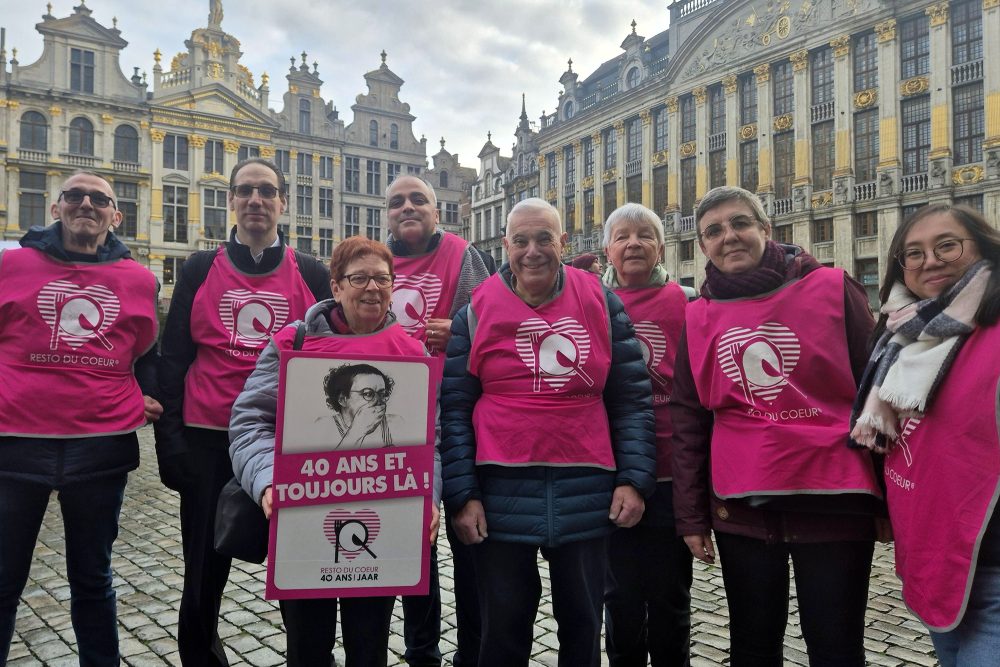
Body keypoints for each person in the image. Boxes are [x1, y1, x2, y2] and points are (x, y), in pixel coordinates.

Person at [670, 186, 882, 666]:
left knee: (836, 644)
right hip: (741, 505)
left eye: (740, 223)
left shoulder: (832, 286)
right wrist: (690, 515)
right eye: (714, 231)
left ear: (766, 229)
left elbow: (876, 392)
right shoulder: (698, 316)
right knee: (753, 644)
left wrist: (887, 500)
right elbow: (687, 417)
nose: (730, 237)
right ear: (701, 247)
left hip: (833, 498)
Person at [441, 198, 656, 667]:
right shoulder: (475, 313)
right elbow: (455, 410)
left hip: (586, 487)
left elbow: (630, 399)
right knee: (503, 631)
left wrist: (633, 479)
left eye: (544, 239)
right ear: (506, 246)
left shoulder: (601, 300)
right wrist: (462, 495)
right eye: (521, 241)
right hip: (501, 492)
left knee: (582, 626)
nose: (532, 251)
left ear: (563, 242)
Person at [229, 236, 441, 667]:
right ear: (336, 285)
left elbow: (430, 440)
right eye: (359, 277)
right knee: (308, 648)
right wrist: (269, 481)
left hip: (382, 523)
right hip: (302, 521)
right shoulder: (295, 341)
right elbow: (250, 422)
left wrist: (429, 495)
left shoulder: (412, 352)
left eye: (382, 279)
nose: (372, 288)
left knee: (370, 648)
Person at [155, 158, 331, 667]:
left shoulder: (311, 272)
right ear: (232, 200)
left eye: (267, 192)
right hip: (209, 438)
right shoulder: (198, 267)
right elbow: (174, 358)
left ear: (283, 203)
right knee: (203, 572)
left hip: (288, 443)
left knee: (301, 565)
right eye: (246, 191)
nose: (256, 200)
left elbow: (333, 351)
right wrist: (171, 444)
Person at [0, 171, 161, 665]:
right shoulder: (12, 265)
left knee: (93, 578)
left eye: (99, 199)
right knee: (4, 579)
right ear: (56, 208)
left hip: (101, 446)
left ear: (117, 215)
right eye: (74, 196)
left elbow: (146, 352)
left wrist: (146, 396)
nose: (85, 204)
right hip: (15, 443)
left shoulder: (139, 279)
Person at [851, 204, 1000, 666]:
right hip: (934, 552)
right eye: (913, 253)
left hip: (991, 555)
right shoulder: (901, 334)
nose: (930, 261)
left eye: (947, 246)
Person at [386, 175, 492, 667]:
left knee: (470, 545)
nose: (407, 208)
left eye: (418, 200)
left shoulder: (464, 254)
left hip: (458, 416)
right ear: (387, 214)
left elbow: (498, 320)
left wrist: (463, 327)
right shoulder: (375, 260)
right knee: (414, 546)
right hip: (398, 423)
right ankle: (421, 653)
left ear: (437, 210)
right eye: (397, 202)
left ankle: (472, 653)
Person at [600, 203, 693, 666]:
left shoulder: (688, 302)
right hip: (610, 472)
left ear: (661, 247)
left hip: (670, 472)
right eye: (622, 236)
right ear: (607, 251)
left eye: (644, 235)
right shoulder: (591, 303)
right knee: (618, 597)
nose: (633, 243)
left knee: (669, 595)